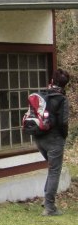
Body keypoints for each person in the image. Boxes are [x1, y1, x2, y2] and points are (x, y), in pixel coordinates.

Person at [34, 68, 70, 216]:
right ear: (64, 85)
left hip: (39, 138)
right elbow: (63, 122)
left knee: (52, 168)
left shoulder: (43, 94)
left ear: (52, 81)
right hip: (54, 140)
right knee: (55, 171)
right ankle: (49, 207)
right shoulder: (61, 99)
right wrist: (64, 136)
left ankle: (46, 200)